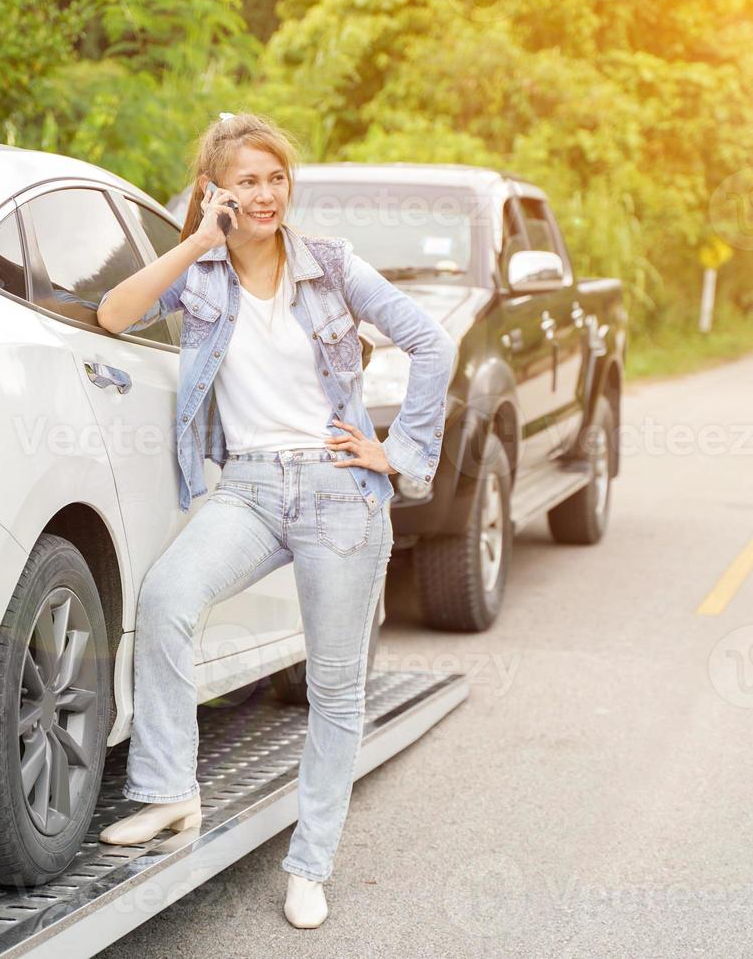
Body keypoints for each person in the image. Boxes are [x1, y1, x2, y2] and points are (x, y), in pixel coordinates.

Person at [93, 112, 455, 929]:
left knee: (333, 686)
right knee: (166, 599)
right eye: (247, 181)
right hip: (250, 489)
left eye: (276, 178)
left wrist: (399, 454)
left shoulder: (330, 266)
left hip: (337, 491)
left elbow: (431, 343)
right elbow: (114, 315)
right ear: (215, 190)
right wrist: (193, 240)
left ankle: (310, 864)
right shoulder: (203, 274)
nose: (265, 195)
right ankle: (169, 791)